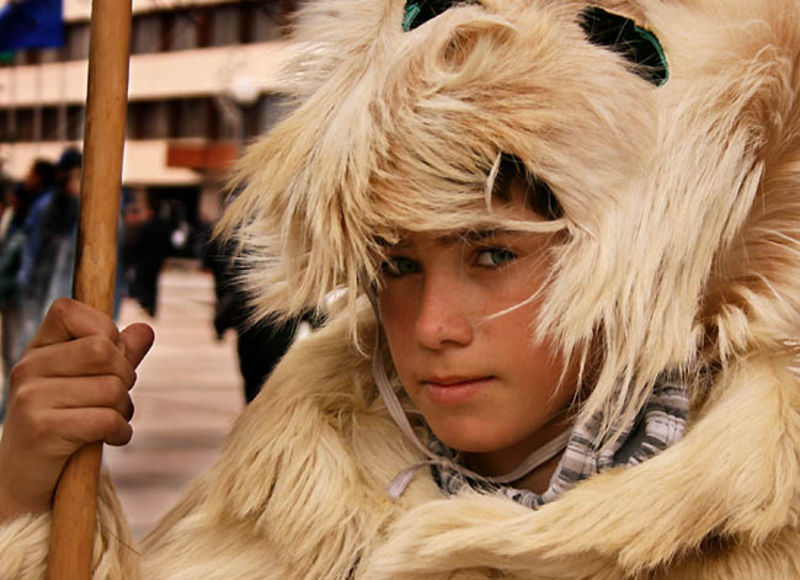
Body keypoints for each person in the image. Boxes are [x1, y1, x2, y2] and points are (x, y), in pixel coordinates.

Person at [1, 0, 800, 577]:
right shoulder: (290, 476)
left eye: (492, 254)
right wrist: (26, 496)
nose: (431, 326)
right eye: (396, 265)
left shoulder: (769, 519)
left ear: (636, 257)